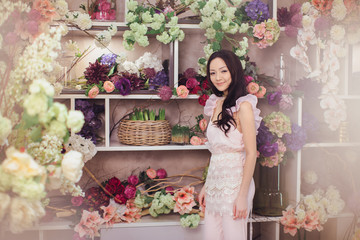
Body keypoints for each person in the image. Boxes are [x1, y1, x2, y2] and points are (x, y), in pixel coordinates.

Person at [199, 49, 262, 240]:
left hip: (237, 184)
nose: (218, 77)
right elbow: (216, 152)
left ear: (234, 71)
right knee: (210, 236)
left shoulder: (244, 106)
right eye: (213, 72)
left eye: (223, 71)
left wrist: (242, 196)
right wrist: (206, 186)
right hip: (215, 183)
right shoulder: (215, 103)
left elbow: (251, 154)